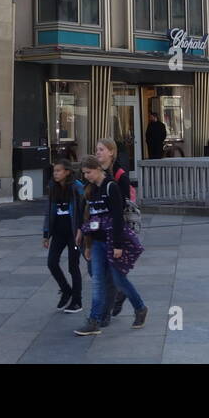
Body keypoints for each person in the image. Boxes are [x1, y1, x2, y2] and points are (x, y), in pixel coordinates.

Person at [74, 155, 147, 336]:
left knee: (118, 279)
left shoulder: (111, 187)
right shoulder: (90, 190)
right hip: (97, 241)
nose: (87, 176)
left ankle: (140, 308)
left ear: (98, 169)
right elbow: (90, 218)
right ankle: (94, 320)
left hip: (112, 240)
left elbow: (117, 218)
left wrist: (117, 245)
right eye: (84, 174)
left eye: (89, 172)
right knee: (98, 280)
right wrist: (87, 243)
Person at [95, 137, 136, 318]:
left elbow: (124, 207)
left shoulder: (120, 175)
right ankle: (120, 295)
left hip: (114, 229)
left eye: (101, 149)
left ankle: (104, 314)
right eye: (97, 149)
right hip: (98, 230)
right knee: (100, 271)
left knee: (109, 274)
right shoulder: (95, 172)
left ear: (111, 152)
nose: (97, 152)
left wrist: (119, 238)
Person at [43, 161, 86, 313]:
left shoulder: (77, 187)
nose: (55, 173)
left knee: (73, 266)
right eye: (54, 171)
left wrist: (81, 229)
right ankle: (66, 290)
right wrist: (46, 234)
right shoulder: (53, 188)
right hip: (58, 233)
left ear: (67, 172)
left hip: (74, 233)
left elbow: (83, 210)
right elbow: (49, 211)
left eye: (58, 171)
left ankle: (77, 301)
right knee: (51, 262)